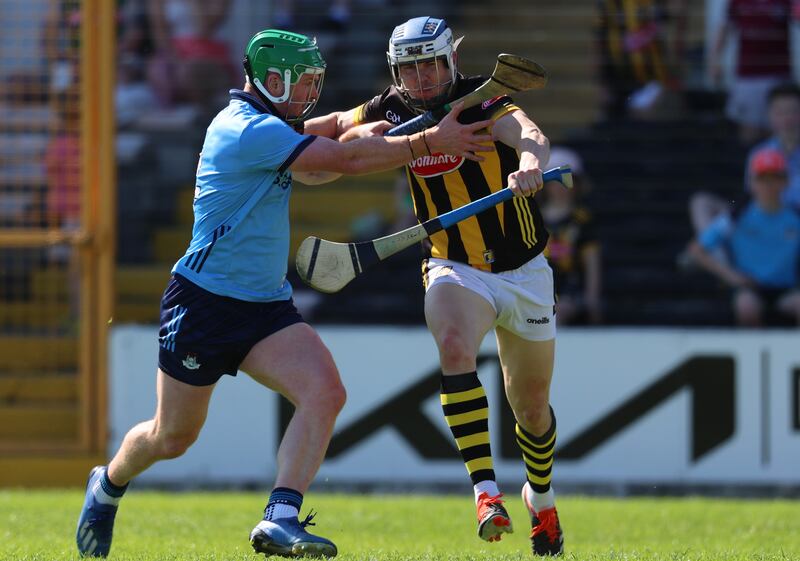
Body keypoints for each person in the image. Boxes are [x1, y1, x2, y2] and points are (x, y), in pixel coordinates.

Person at [75, 28, 493, 559]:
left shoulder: (273, 123)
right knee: (172, 437)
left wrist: (387, 116)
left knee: (325, 392)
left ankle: (281, 517)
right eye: (304, 82)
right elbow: (342, 161)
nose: (310, 93)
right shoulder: (245, 130)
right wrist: (430, 140)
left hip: (266, 306)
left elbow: (339, 128)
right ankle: (107, 483)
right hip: (204, 302)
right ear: (272, 80)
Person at [307, 16, 564, 556]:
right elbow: (332, 126)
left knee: (532, 409)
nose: (421, 78)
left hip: (525, 271)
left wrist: (529, 165)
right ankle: (485, 493)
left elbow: (529, 134)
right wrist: (267, 136)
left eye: (431, 64)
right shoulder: (391, 108)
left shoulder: (483, 98)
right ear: (396, 72)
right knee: (453, 345)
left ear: (451, 61)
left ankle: (540, 499)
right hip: (453, 263)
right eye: (409, 68)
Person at [686, 83, 800, 260]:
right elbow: (751, 195)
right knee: (701, 203)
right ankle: (722, 262)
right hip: (763, 220)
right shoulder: (759, 152)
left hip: (794, 224)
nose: (787, 118)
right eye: (780, 112)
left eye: (793, 111)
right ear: (770, 116)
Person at [688, 147, 800, 326]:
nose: (768, 186)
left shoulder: (796, 216)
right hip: (749, 287)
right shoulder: (736, 215)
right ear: (752, 183)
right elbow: (697, 249)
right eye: (762, 179)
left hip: (786, 289)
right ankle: (751, 353)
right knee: (746, 306)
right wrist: (731, 276)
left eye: (775, 178)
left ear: (785, 181)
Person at [709, 0, 797, 144]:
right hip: (748, 76)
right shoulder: (737, 2)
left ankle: (778, 164)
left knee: (779, 127)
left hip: (779, 76)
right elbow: (725, 27)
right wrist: (714, 61)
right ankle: (752, 164)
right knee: (748, 129)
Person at [540, 147, 603, 326]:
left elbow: (592, 260)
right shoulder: (532, 217)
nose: (560, 187)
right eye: (555, 181)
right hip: (537, 288)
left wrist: (592, 300)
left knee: (557, 312)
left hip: (570, 292)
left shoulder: (582, 220)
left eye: (566, 180)